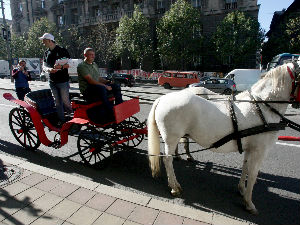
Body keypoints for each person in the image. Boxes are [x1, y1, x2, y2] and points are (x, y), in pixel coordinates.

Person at [77, 48, 123, 123]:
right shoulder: (82, 66)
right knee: (102, 88)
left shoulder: (94, 64)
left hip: (96, 86)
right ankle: (110, 111)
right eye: (90, 55)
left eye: (93, 55)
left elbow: (98, 78)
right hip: (87, 89)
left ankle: (119, 108)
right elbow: (90, 81)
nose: (93, 56)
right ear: (85, 55)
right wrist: (105, 86)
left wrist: (108, 82)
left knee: (116, 86)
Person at [39, 33, 72, 123]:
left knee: (65, 101)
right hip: (52, 81)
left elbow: (70, 63)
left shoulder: (62, 50)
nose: (43, 43)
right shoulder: (46, 53)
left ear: (49, 41)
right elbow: (44, 66)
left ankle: (72, 119)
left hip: (63, 81)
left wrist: (60, 67)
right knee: (57, 102)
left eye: (44, 41)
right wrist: (49, 69)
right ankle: (62, 120)